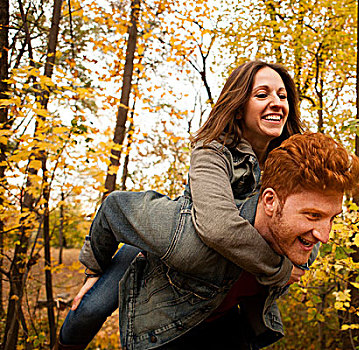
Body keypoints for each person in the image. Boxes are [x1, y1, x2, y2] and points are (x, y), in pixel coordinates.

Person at [56, 60, 303, 349]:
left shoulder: (292, 167)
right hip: (172, 242)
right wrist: (93, 268)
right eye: (262, 95)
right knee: (89, 309)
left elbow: (306, 236)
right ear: (238, 106)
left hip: (215, 291)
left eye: (282, 96)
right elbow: (218, 226)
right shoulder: (213, 150)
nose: (276, 103)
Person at [80, 133, 359, 349]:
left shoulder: (303, 247)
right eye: (313, 215)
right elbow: (115, 207)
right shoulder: (188, 239)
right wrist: (93, 268)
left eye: (331, 218)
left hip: (223, 320)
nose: (324, 236)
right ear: (270, 201)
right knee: (85, 314)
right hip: (164, 328)